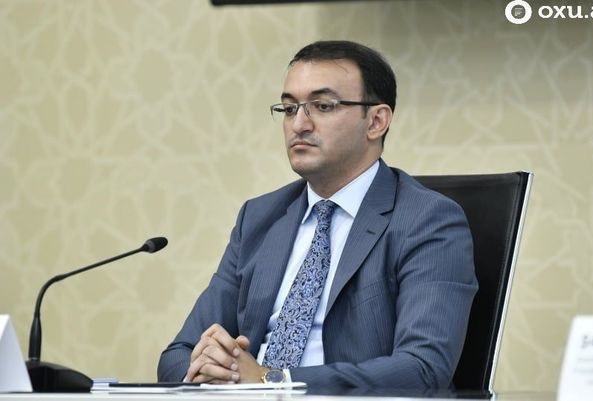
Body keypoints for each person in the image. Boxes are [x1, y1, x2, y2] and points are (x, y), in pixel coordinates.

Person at [157, 40, 478, 390]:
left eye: (322, 106)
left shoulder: (427, 220)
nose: (299, 124)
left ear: (376, 121)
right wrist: (212, 368)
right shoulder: (259, 218)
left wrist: (271, 380)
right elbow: (178, 355)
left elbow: (424, 369)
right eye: (289, 108)